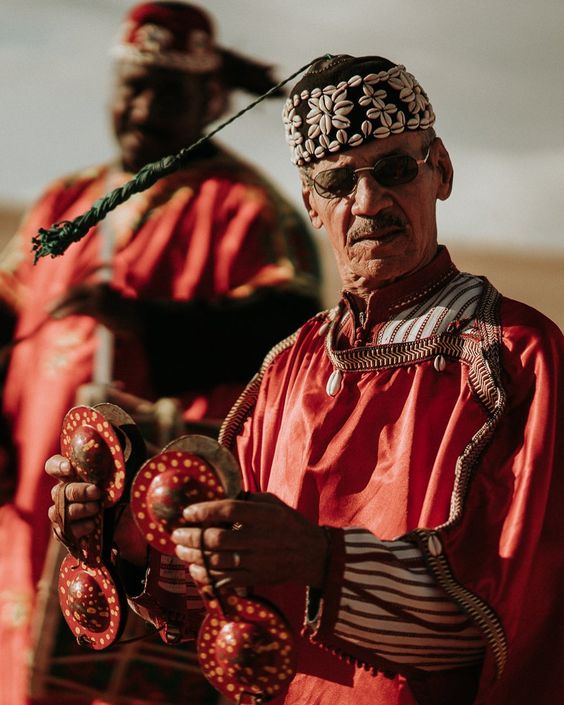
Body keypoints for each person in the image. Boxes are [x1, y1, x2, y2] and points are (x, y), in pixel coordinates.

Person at [47, 54, 563, 705]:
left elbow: (493, 619)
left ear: (442, 171)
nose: (369, 201)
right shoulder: (288, 366)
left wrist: (319, 560)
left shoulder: (516, 357)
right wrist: (127, 543)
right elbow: (221, 601)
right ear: (312, 204)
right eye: (339, 181)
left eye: (395, 169)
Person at [0, 3, 321, 704]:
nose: (144, 106)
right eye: (132, 86)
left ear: (210, 99)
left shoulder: (249, 210)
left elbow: (286, 345)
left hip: (148, 531)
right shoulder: (64, 201)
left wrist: (145, 324)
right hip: (34, 496)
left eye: (167, 92)